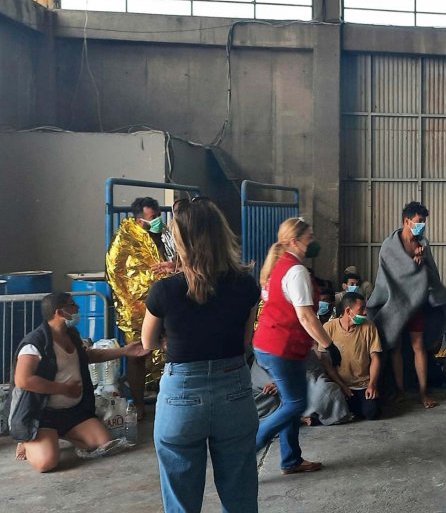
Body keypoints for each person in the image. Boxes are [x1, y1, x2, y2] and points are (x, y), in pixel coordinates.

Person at [141, 198, 262, 509]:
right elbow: (246, 340)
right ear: (222, 234)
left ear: (179, 240)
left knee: (181, 498)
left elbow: (148, 342)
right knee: (240, 494)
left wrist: (171, 338)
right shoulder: (247, 285)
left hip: (181, 395)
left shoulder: (164, 291)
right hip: (234, 388)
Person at [11, 293, 142, 473]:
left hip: (74, 412)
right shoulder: (35, 343)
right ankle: (29, 440)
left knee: (105, 445)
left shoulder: (70, 334)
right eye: (72, 305)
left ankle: (61, 435)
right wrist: (63, 389)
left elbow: (87, 356)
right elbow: (23, 380)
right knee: (46, 464)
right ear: (60, 312)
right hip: (42, 415)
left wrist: (125, 351)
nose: (78, 309)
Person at [252, 217, 341, 475]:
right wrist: (329, 345)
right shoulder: (296, 271)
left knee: (291, 401)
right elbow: (306, 316)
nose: (313, 242)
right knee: (295, 404)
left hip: (271, 344)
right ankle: (250, 448)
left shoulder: (279, 265)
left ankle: (291, 460)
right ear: (295, 241)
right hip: (281, 348)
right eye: (309, 237)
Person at [366, 201, 446, 409]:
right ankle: (400, 391)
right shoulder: (390, 245)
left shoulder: (423, 243)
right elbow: (388, 276)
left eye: (424, 222)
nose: (422, 226)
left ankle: (423, 392)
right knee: (395, 347)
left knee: (419, 347)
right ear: (407, 221)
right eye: (419, 221)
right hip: (395, 304)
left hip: (416, 303)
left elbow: (430, 275)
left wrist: (421, 262)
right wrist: (410, 265)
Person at [105, 195, 177, 419]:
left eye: (158, 216)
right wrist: (133, 305)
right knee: (137, 354)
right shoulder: (124, 240)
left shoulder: (164, 234)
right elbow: (117, 275)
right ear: (139, 220)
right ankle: (138, 404)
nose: (157, 220)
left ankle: (170, 400)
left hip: (167, 303)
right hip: (137, 308)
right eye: (152, 217)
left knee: (170, 350)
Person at [324, 292, 385, 420]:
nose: (365, 312)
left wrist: (372, 384)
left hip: (363, 384)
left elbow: (375, 358)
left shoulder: (369, 327)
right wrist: (342, 386)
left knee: (372, 413)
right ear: (348, 311)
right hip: (338, 384)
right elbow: (326, 364)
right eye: (361, 309)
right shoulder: (329, 328)